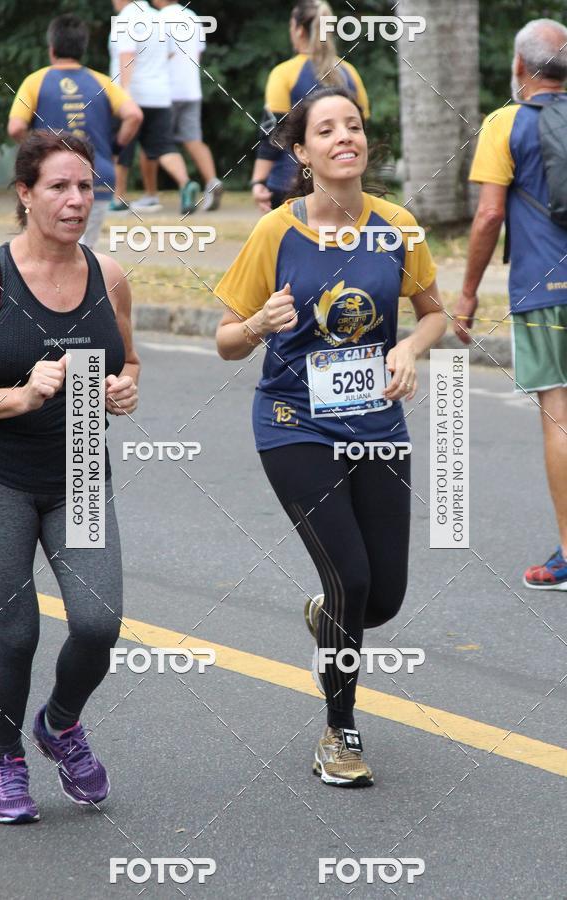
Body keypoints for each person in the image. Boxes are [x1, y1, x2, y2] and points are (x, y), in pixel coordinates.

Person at [216, 88, 446, 786]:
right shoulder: (275, 232)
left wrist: (409, 348)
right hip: (295, 423)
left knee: (383, 599)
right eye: (326, 130)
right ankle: (339, 732)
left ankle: (329, 615)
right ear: (303, 153)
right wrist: (258, 324)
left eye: (353, 126)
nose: (344, 136)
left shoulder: (398, 225)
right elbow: (226, 341)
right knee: (349, 576)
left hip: (377, 424)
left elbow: (434, 314)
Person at [0, 131, 140, 823]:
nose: (76, 201)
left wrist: (124, 387)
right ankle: (5, 760)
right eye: (59, 187)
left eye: (86, 187)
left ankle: (60, 724)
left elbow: (129, 361)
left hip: (81, 469)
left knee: (98, 624)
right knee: (15, 634)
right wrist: (19, 396)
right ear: (25, 193)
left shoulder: (110, 275)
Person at [454, 18, 567, 591]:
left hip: (545, 292)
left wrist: (468, 293)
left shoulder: (504, 123)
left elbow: (490, 215)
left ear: (520, 67)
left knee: (559, 417)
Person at [7, 13, 142, 249]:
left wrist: (34, 150)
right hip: (96, 176)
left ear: (52, 49)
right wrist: (115, 149)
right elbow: (134, 115)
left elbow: (16, 127)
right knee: (83, 250)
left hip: (51, 181)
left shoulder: (35, 81)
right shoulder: (102, 82)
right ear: (82, 49)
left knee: (50, 250)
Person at [251, 0, 369, 213]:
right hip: (343, 185)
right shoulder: (350, 72)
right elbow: (363, 127)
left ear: (298, 30)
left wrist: (258, 181)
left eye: (290, 26)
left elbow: (272, 133)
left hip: (288, 185)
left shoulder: (284, 73)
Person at [109, 0, 200, 215]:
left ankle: (117, 198)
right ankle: (185, 182)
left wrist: (125, 92)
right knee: (164, 147)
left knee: (121, 146)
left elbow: (127, 55)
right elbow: (171, 52)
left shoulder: (126, 18)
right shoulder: (158, 18)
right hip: (160, 95)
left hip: (133, 95)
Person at [135, 0, 223, 213]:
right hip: (191, 89)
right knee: (193, 140)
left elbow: (163, 53)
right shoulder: (192, 17)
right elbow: (197, 54)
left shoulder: (158, 19)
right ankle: (212, 181)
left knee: (151, 142)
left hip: (165, 91)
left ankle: (151, 195)